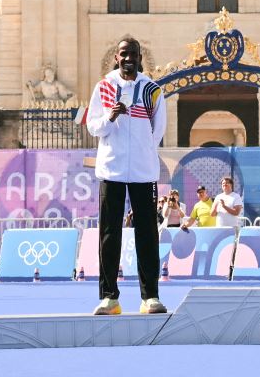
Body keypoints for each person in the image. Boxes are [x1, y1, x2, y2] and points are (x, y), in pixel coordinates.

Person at [84, 35, 167, 315]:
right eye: (124, 54)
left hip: (143, 172)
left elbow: (158, 131)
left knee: (147, 234)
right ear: (116, 58)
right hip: (112, 170)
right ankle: (110, 297)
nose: (129, 58)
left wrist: (143, 152)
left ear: (140, 57)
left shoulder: (152, 90)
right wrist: (111, 116)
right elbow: (93, 127)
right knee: (110, 234)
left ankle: (150, 297)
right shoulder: (104, 87)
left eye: (133, 53)